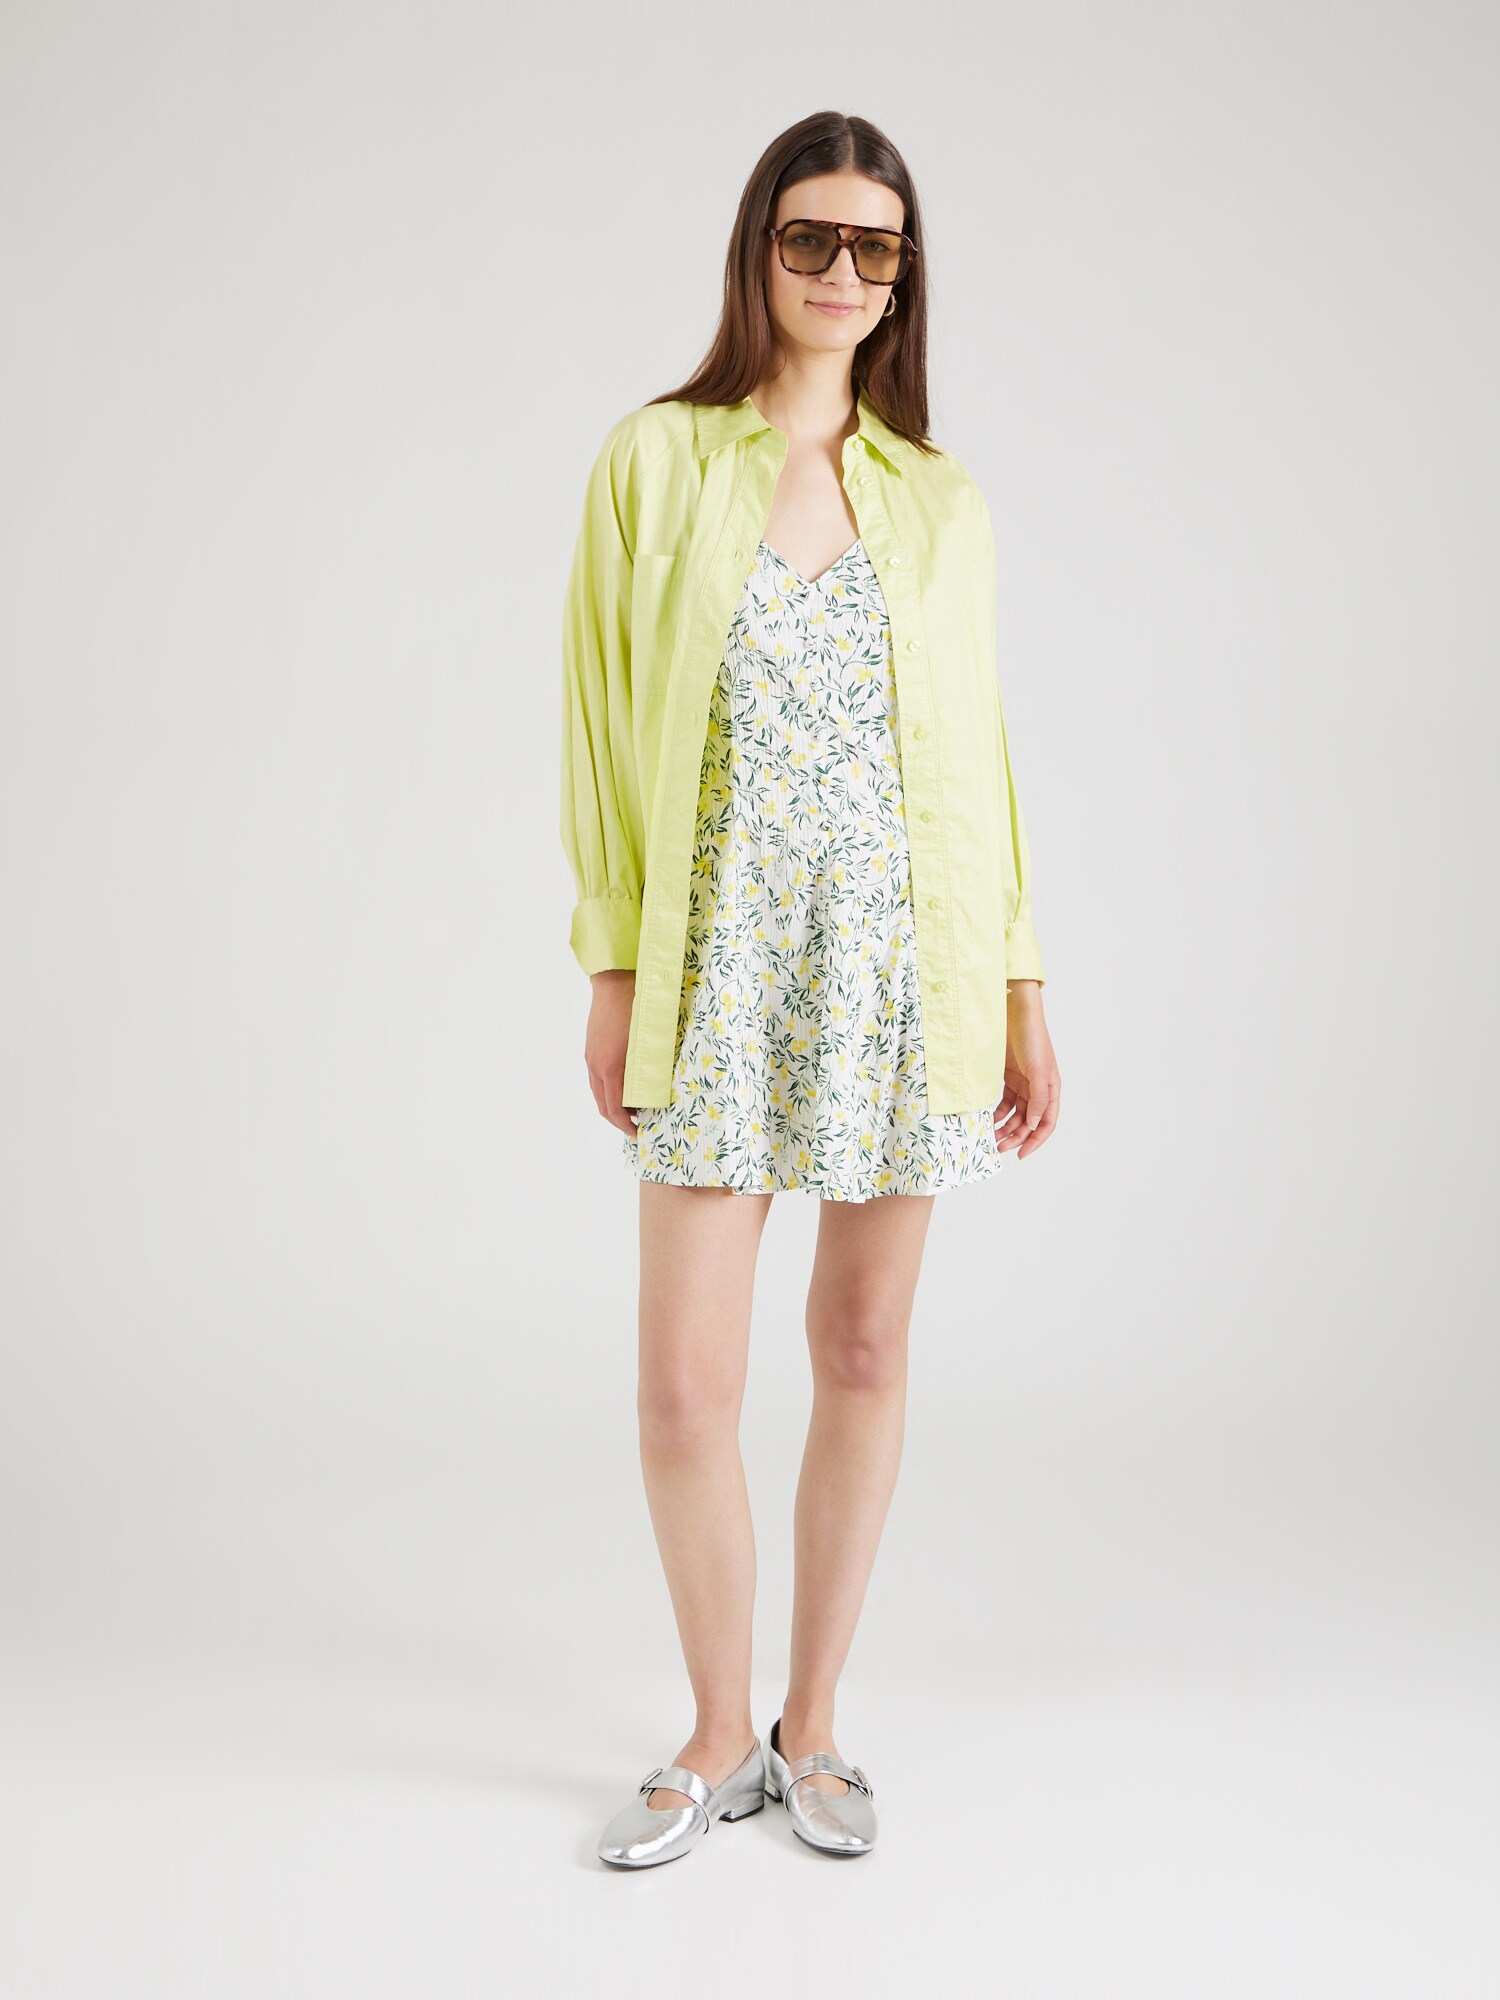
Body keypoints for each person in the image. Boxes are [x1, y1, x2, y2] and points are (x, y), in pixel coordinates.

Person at [559, 109, 1062, 1868]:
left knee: (861, 1345)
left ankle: (815, 1723)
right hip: (715, 970)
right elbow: (599, 719)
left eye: (876, 247)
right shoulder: (655, 462)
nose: (843, 272)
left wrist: (1020, 984)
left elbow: (983, 757)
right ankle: (715, 1733)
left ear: (902, 276)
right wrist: (611, 960)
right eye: (810, 239)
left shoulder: (941, 500)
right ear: (758, 251)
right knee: (683, 1386)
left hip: (902, 975)